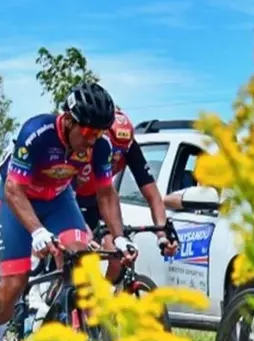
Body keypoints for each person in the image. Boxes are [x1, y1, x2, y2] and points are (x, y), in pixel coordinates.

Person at [0, 81, 136, 341]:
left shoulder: (99, 146)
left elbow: (105, 193)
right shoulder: (37, 132)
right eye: (88, 131)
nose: (93, 140)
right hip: (18, 198)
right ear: (69, 120)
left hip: (58, 200)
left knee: (82, 257)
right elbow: (14, 189)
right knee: (15, 279)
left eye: (100, 132)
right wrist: (37, 231)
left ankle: (62, 321)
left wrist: (120, 237)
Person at [75, 105, 179, 281]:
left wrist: (162, 235)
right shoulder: (90, 145)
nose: (116, 157)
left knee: (118, 255)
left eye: (122, 151)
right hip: (73, 201)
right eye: (114, 150)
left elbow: (153, 195)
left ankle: (102, 300)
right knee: (79, 261)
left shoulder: (129, 146)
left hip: (101, 201)